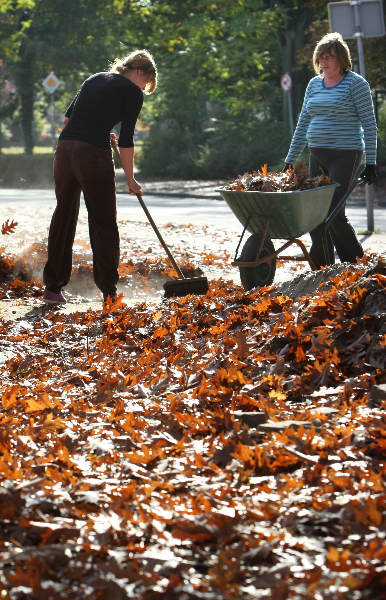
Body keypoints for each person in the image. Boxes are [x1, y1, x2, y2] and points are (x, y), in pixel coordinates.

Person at [42, 49, 157, 304]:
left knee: (64, 214)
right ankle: (108, 291)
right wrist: (130, 179)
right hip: (92, 156)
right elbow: (127, 140)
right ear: (139, 72)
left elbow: (68, 119)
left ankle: (52, 287)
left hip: (65, 150)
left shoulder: (94, 78)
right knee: (103, 220)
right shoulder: (132, 91)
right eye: (146, 83)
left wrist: (100, 130)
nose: (143, 87)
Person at [284, 32, 377, 269]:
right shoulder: (314, 84)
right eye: (321, 57)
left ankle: (356, 266)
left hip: (345, 155)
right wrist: (290, 158)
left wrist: (372, 162)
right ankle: (323, 270)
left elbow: (369, 124)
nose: (324, 62)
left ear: (341, 59)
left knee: (333, 215)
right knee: (316, 216)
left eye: (330, 57)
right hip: (317, 154)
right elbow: (303, 122)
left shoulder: (356, 84)